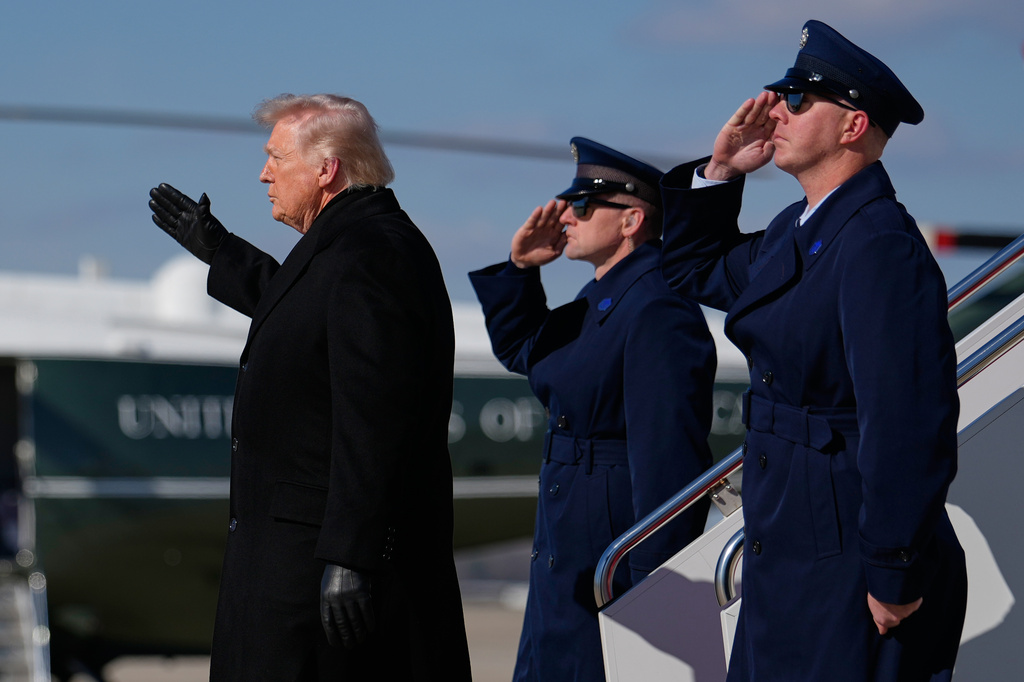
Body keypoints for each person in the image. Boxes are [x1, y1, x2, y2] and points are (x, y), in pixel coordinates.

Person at [659, 20, 967, 681]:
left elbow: (906, 420)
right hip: (790, 540)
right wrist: (720, 172)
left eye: (798, 102)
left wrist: (893, 567)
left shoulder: (878, 245)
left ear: (852, 126)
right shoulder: (796, 231)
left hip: (847, 555)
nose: (778, 112)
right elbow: (692, 269)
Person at [147, 93, 472, 681]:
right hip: (291, 569)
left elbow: (373, 417)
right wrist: (217, 249)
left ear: (327, 169)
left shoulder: (374, 252)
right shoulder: (348, 245)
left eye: (276, 157)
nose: (263, 172)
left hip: (315, 578)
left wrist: (351, 553)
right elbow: (304, 315)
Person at [469, 137, 716, 680]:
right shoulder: (600, 296)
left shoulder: (656, 306)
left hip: (609, 533)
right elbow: (527, 351)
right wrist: (520, 268)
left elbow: (669, 454)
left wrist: (655, 582)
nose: (567, 218)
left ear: (631, 221)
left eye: (582, 207)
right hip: (571, 528)